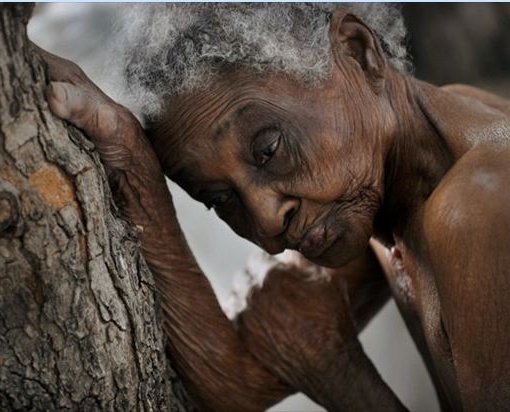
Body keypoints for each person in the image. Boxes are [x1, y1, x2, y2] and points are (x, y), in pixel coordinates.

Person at [37, 4, 510, 411]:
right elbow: (235, 384)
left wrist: (339, 379)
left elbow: (292, 360)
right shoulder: (400, 171)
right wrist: (132, 166)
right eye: (220, 201)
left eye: (268, 150)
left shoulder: (476, 205)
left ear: (357, 52)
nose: (266, 219)